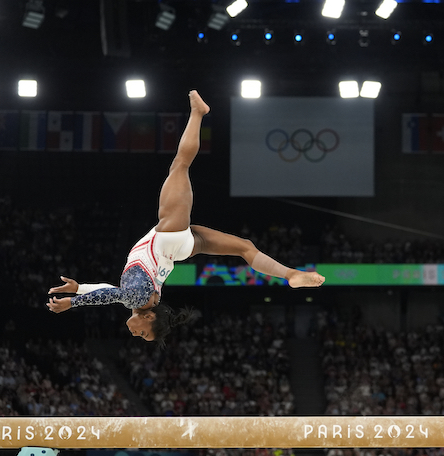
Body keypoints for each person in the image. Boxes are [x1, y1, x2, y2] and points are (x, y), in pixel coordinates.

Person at [47, 90, 325, 345]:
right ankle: (198, 113)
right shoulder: (138, 297)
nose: (135, 333)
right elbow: (113, 294)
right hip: (170, 235)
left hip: (181, 248)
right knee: (180, 164)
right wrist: (74, 303)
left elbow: (113, 292)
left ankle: (290, 274)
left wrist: (80, 288)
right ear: (150, 317)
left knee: (244, 248)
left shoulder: (141, 299)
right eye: (143, 333)